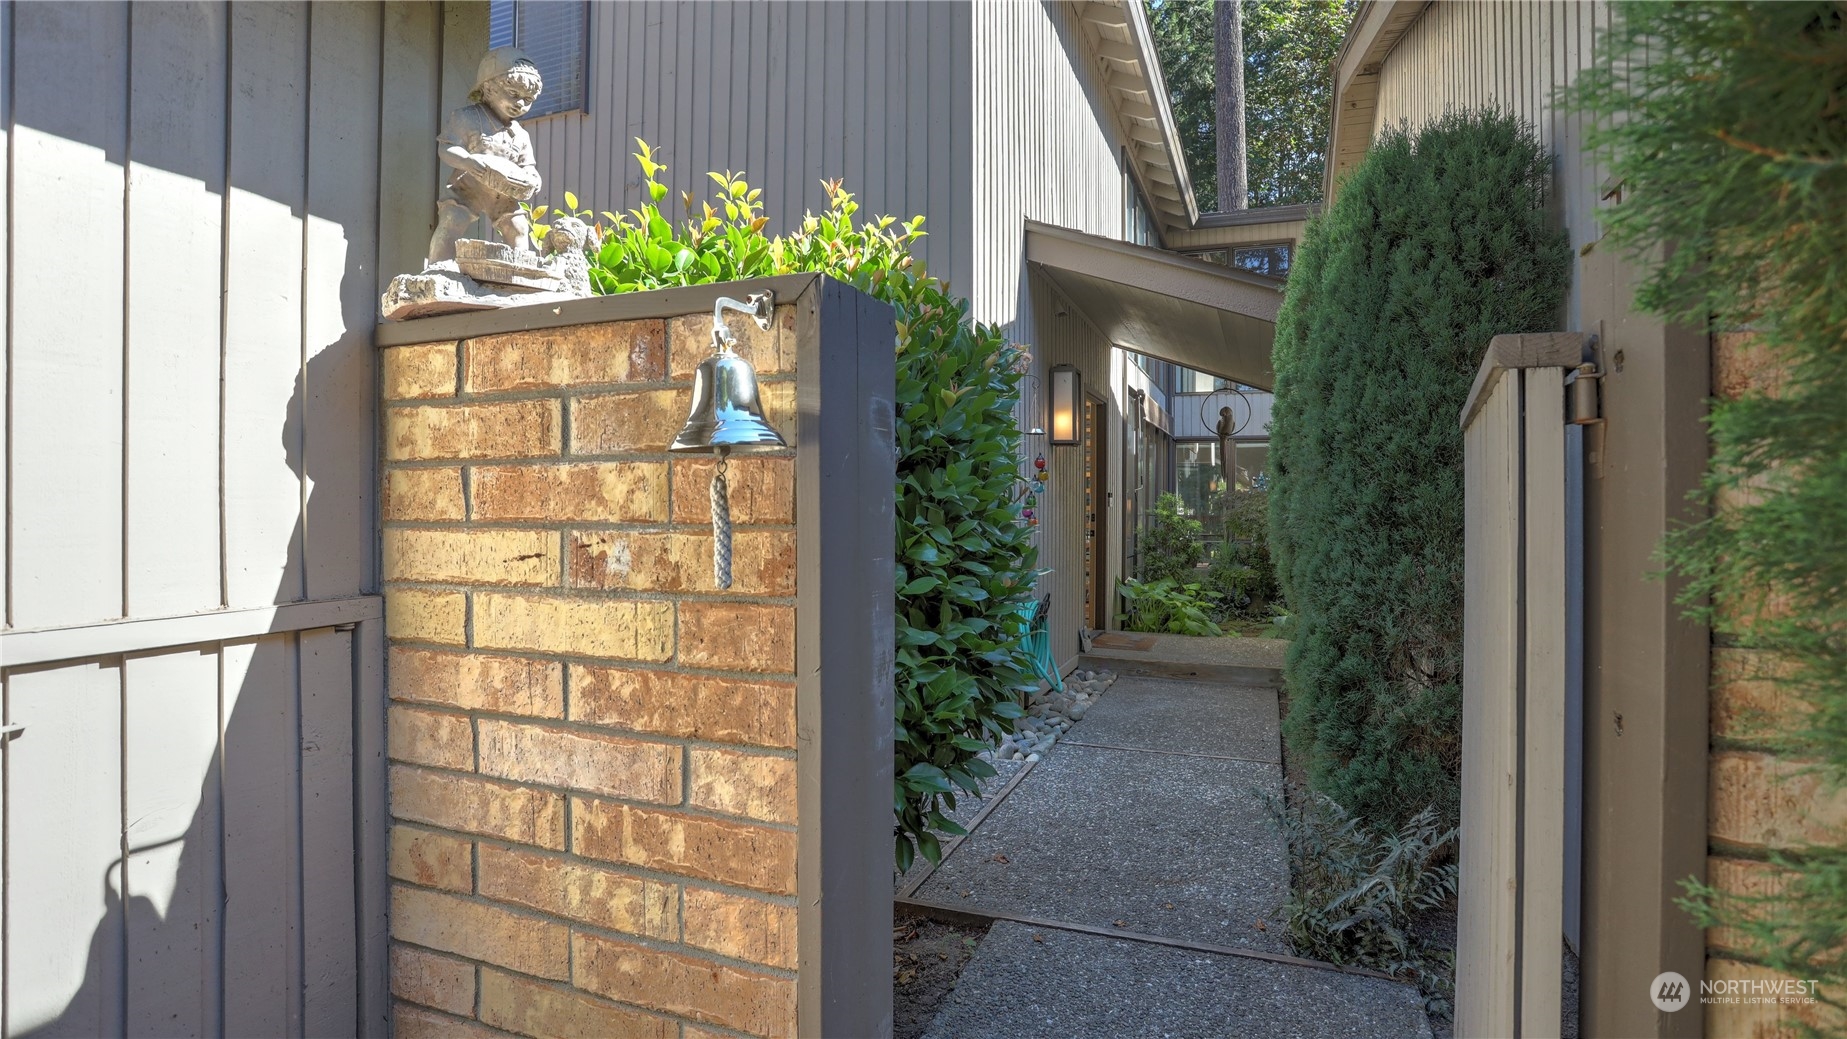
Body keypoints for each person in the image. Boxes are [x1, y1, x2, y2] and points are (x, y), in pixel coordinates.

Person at [428, 47, 543, 263]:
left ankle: (519, 271)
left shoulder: (521, 135)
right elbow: (446, 148)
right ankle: (437, 269)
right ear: (488, 88)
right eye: (514, 94)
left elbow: (528, 167)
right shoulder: (468, 117)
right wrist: (468, 161)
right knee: (452, 223)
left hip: (503, 194)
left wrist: (533, 181)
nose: (520, 104)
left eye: (528, 100)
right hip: (467, 187)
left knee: (517, 228)